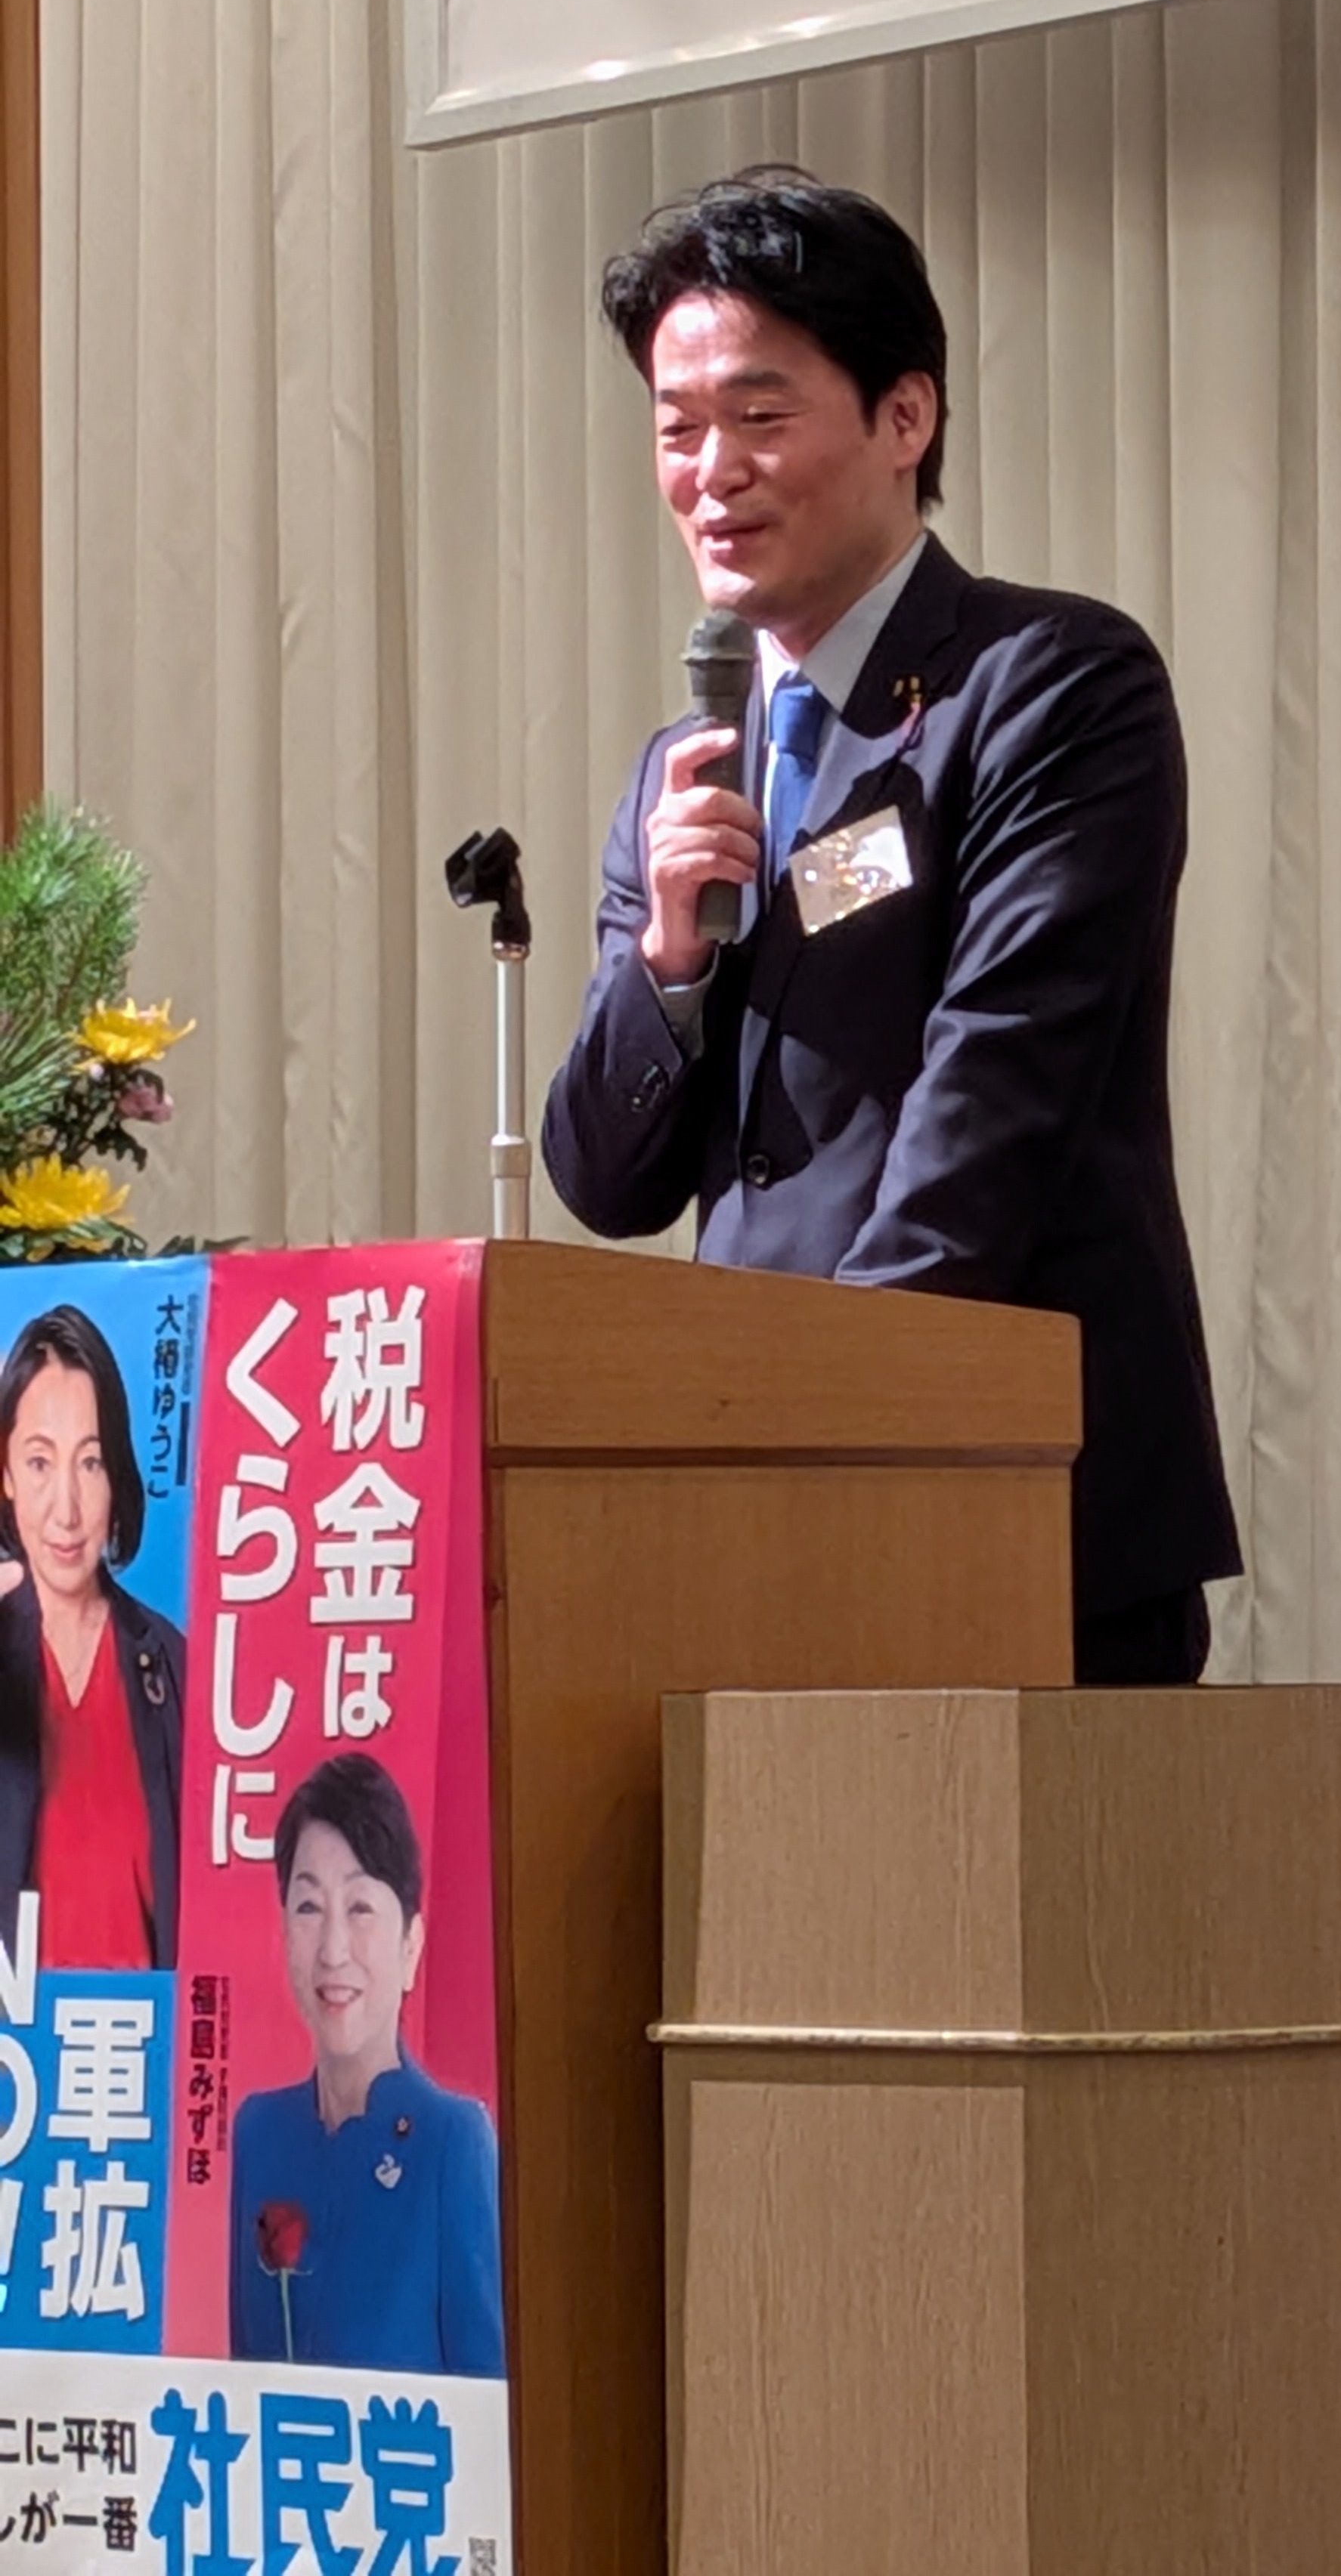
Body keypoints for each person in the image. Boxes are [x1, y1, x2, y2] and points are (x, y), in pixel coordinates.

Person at [543, 166, 1241, 1681]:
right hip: (762, 1501)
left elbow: (998, 1089)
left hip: (1014, 1499)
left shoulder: (1050, 684)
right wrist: (667, 965)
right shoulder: (688, 769)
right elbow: (605, 1179)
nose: (711, 471)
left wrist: (831, 1429)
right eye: (676, 428)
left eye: (759, 414)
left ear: (905, 416)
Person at [228, 1750, 504, 2377]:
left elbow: (487, 2403)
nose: (333, 1950)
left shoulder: (453, 2143)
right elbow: (246, 2379)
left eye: (359, 1909)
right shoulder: (259, 2132)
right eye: (308, 1908)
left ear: (410, 1946)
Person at [0, 1302, 184, 1968]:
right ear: (5, 1474)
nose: (67, 1511)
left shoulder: (171, 1661)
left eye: (91, 1463)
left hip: (143, 2031)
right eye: (39, 1463)